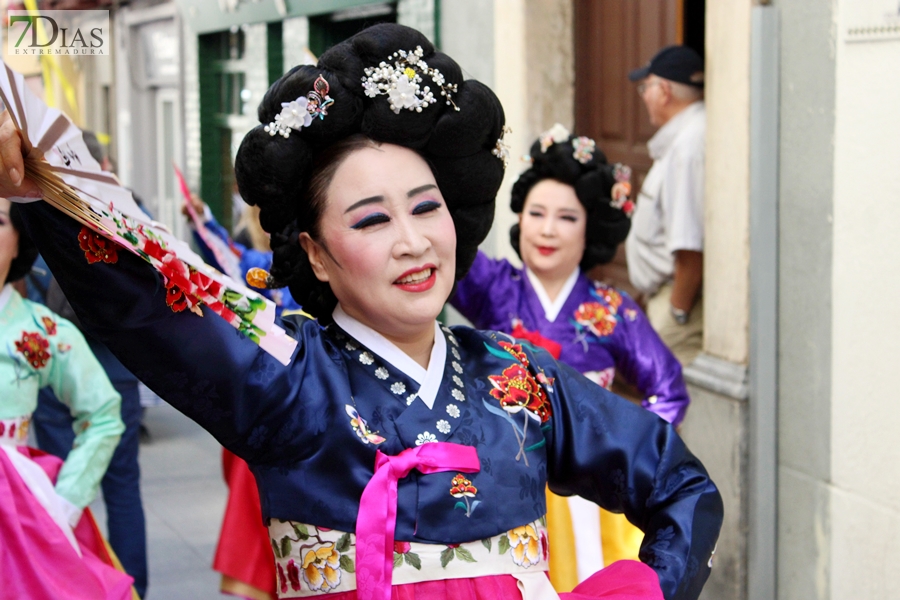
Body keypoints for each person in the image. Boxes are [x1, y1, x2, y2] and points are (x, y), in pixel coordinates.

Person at [3, 24, 722, 600]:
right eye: (372, 220)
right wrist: (38, 180)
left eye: (426, 207)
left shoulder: (518, 376)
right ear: (315, 254)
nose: (413, 242)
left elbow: (680, 485)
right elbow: (150, 293)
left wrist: (635, 588)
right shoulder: (286, 377)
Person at [450, 124, 690, 590]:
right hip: (506, 474)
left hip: (588, 489)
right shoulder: (495, 288)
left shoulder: (613, 310)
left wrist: (621, 448)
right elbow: (449, 242)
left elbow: (669, 390)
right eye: (536, 213)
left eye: (566, 217)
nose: (546, 229)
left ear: (590, 230)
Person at [28, 131, 149, 598]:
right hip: (114, 359)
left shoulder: (39, 208)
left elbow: (29, 274)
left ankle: (68, 585)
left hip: (54, 360)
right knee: (122, 488)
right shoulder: (128, 207)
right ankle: (133, 589)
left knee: (60, 484)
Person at [0, 196, 133, 599]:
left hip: (14, 508)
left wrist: (66, 501)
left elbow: (104, 412)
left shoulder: (39, 329)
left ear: (19, 239)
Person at [626, 46, 706, 366]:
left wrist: (677, 313)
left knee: (673, 410)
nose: (643, 96)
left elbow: (690, 246)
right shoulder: (685, 137)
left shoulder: (689, 147)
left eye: (645, 88)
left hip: (677, 307)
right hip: (663, 297)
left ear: (665, 91)